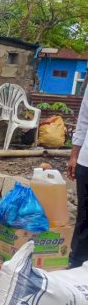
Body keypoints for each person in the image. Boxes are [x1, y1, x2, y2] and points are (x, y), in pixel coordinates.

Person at [67, 79, 88, 269]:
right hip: (86, 162)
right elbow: (83, 121)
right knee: (84, 218)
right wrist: (74, 155)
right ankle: (76, 265)